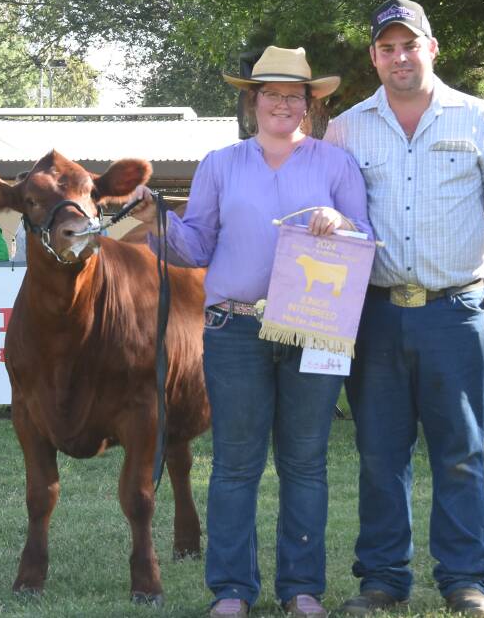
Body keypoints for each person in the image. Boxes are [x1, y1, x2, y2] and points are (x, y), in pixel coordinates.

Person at [130, 45, 369, 618]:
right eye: (271, 94)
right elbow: (197, 246)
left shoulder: (335, 165)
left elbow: (366, 238)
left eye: (294, 95)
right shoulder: (220, 164)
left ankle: (302, 588)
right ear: (252, 102)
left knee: (306, 462)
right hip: (234, 329)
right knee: (236, 463)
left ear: (309, 105)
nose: (282, 104)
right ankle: (232, 590)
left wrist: (341, 223)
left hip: (312, 329)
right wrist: (156, 222)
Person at [323, 0, 484, 617]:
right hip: (375, 311)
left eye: (408, 45)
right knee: (379, 453)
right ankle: (383, 578)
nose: (398, 57)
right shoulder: (346, 129)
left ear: (431, 49)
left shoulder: (482, 119)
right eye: (386, 48)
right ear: (374, 57)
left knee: (461, 451)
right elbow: (325, 217)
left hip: (458, 311)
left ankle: (467, 580)